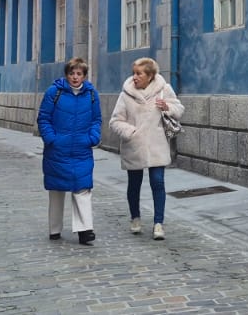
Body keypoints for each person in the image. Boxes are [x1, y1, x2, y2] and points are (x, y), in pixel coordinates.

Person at [109, 57, 183, 241]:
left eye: (139, 73)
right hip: (134, 144)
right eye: (134, 72)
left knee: (157, 182)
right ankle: (135, 218)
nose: (135, 77)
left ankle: (159, 223)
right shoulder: (125, 94)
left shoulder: (163, 89)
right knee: (134, 184)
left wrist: (167, 107)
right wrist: (130, 132)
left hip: (156, 144)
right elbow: (115, 121)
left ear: (150, 75)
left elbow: (179, 108)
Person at [38, 58, 103, 245]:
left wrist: (93, 137)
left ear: (84, 75)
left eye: (79, 74)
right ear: (67, 74)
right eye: (72, 73)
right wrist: (52, 139)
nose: (75, 77)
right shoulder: (54, 92)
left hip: (81, 149)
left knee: (82, 188)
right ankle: (54, 229)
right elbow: (43, 118)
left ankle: (85, 230)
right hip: (58, 149)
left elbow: (96, 119)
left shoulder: (91, 94)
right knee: (57, 189)